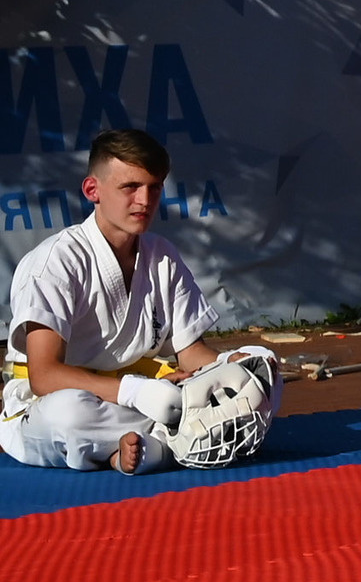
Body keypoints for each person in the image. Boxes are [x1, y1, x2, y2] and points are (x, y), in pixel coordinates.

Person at [3, 130, 281, 474]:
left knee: (259, 364)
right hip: (52, 403)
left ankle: (142, 447)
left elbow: (191, 352)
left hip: (152, 395)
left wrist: (225, 366)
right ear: (93, 191)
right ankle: (167, 445)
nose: (144, 200)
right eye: (130, 187)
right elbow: (43, 376)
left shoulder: (161, 256)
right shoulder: (55, 263)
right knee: (69, 413)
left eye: (154, 187)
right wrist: (134, 392)